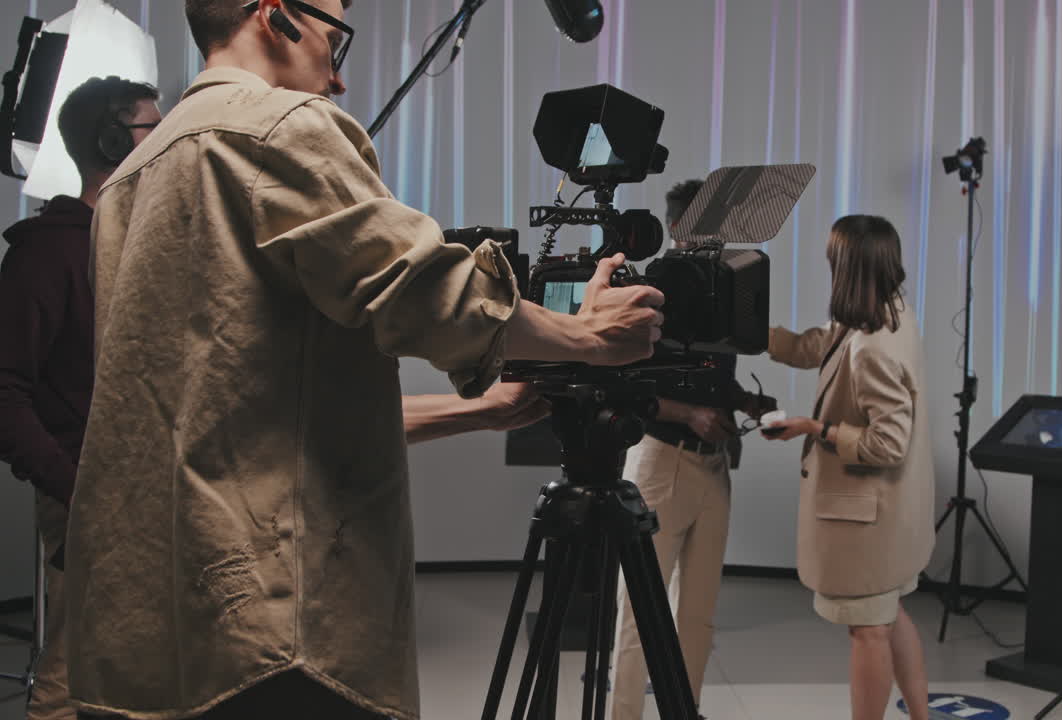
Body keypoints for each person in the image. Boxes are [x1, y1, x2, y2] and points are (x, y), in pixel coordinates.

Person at [64, 1, 664, 718]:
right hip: (277, 632)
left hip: (157, 619)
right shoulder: (282, 127)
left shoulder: (130, 179)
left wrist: (484, 408)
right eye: (335, 40)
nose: (339, 82)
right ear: (276, 15)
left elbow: (237, 408)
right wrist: (589, 338)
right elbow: (427, 289)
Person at [0, 76, 162, 720]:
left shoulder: (142, 244)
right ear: (111, 142)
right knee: (70, 680)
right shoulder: (49, 254)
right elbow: (4, 392)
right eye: (155, 127)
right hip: (89, 496)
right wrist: (78, 487)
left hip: (151, 489)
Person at [762, 215, 934, 720]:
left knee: (870, 631)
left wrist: (816, 429)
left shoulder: (871, 349)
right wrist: (755, 332)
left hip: (868, 524)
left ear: (846, 267)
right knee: (890, 615)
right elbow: (819, 346)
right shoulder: (888, 313)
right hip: (894, 516)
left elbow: (888, 443)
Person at [608, 179, 743, 720]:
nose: (722, 237)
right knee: (639, 615)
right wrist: (690, 414)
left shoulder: (724, 291)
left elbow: (717, 376)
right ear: (685, 230)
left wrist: (746, 404)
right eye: (712, 226)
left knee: (698, 615)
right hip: (661, 460)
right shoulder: (653, 289)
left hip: (714, 467)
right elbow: (627, 384)